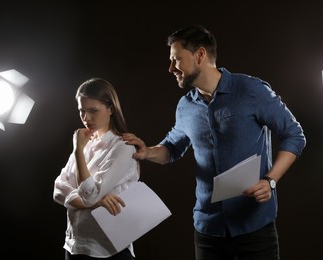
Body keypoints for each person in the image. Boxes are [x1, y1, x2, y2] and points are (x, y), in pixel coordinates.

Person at [123, 25, 306, 260]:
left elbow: (295, 135)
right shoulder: (185, 106)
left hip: (255, 227)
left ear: (200, 55)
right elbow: (171, 148)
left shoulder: (251, 89)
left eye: (176, 59)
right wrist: (147, 152)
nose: (171, 68)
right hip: (208, 231)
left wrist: (270, 181)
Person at [53, 78, 139, 260]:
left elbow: (90, 194)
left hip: (108, 250)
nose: (86, 118)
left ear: (110, 109)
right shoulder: (85, 143)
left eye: (93, 111)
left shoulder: (123, 148)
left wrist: (78, 151)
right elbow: (58, 190)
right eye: (81, 111)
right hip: (74, 245)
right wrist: (96, 202)